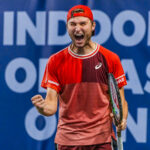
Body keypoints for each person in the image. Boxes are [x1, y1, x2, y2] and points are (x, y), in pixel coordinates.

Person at [31, 5, 128, 150]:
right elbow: (50, 107)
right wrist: (42, 108)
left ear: (92, 26)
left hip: (102, 140)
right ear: (67, 27)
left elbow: (120, 100)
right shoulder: (55, 61)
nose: (77, 29)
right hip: (68, 141)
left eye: (83, 23)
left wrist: (123, 118)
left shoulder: (110, 59)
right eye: (73, 24)